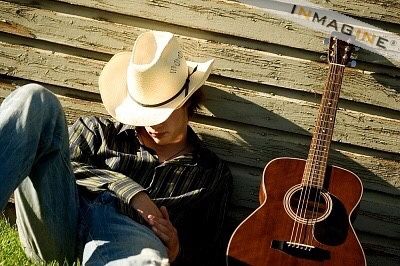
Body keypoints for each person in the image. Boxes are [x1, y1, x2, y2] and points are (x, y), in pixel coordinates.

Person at [0, 31, 232, 265]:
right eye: (145, 111)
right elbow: (59, 166)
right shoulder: (98, 131)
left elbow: (207, 252)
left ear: (188, 101)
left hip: (130, 245)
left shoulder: (210, 174)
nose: (152, 124)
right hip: (60, 222)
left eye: (163, 112)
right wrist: (133, 194)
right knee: (35, 99)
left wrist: (177, 249)